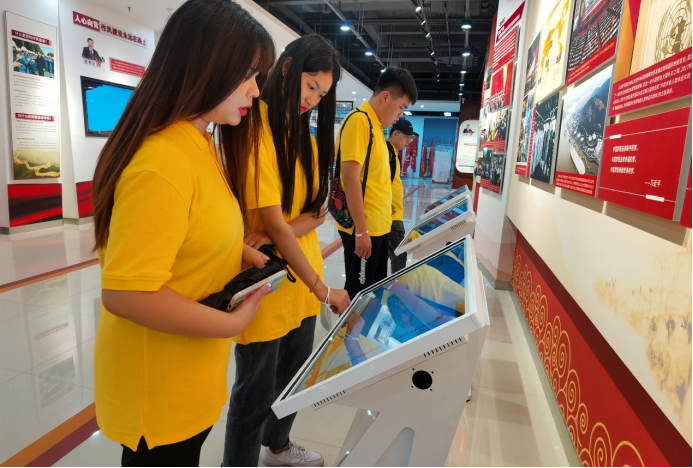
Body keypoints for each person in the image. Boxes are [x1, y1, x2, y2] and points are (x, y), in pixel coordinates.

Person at [90, 1, 275, 466]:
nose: (255, 90)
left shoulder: (200, 143)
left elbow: (191, 228)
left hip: (190, 377)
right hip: (159, 393)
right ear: (206, 64)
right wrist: (230, 324)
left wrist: (235, 252)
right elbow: (128, 294)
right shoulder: (162, 162)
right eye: (248, 74)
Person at [223, 35, 351, 468]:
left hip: (301, 275)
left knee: (292, 380)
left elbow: (317, 214)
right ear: (286, 68)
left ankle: (278, 447)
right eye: (311, 85)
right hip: (268, 283)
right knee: (253, 393)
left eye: (322, 94)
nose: (313, 99)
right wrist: (321, 287)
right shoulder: (255, 124)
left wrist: (277, 234)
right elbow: (273, 220)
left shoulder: (307, 139)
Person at [336, 67, 417, 299]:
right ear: (385, 97)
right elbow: (350, 177)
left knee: (374, 294)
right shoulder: (359, 121)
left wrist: (384, 205)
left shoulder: (377, 128)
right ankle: (349, 326)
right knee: (358, 297)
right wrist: (362, 231)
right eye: (401, 107)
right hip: (364, 229)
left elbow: (374, 180)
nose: (400, 115)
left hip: (380, 227)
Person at [386, 119, 417, 274]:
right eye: (407, 137)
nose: (408, 142)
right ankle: (397, 285)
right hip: (391, 216)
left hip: (393, 213)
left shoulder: (393, 153)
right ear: (395, 134)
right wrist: (384, 203)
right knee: (399, 254)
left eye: (410, 139)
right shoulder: (387, 152)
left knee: (388, 253)